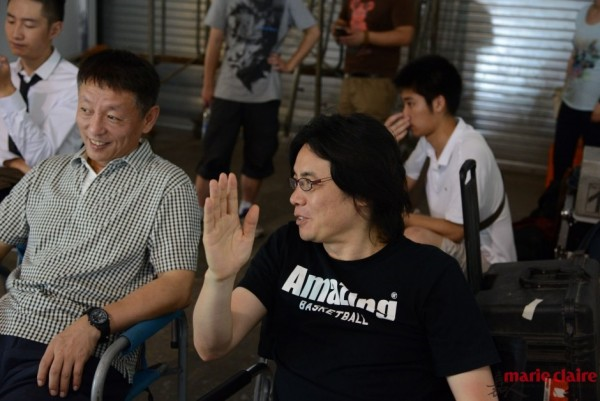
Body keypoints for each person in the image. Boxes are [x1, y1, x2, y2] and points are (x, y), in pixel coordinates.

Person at [193, 113, 500, 401]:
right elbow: (212, 346)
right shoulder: (288, 247)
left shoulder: (431, 275)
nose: (294, 197)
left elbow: (478, 394)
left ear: (362, 192)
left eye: (308, 183)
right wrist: (218, 276)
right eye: (296, 181)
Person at [0, 49, 201, 400]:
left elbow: (177, 285)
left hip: (74, 348)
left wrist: (95, 323)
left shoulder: (167, 186)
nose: (94, 129)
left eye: (113, 117)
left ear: (148, 119)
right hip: (9, 321)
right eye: (85, 110)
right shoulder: (49, 171)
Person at [195, 0, 320, 236]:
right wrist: (208, 84)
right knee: (214, 155)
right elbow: (215, 40)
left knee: (258, 157)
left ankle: (245, 211)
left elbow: (313, 31)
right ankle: (197, 213)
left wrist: (290, 64)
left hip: (266, 95)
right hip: (227, 91)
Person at [385, 54, 517, 273]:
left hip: (487, 263)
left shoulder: (469, 151)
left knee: (414, 237)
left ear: (438, 103)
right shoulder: (427, 141)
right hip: (458, 244)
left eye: (410, 104)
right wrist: (383, 148)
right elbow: (399, 187)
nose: (405, 114)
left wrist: (401, 219)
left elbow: (456, 230)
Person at [0, 0, 81, 201]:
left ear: (55, 29)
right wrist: (12, 162)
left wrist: (8, 92)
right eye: (11, 21)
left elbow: (41, 159)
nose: (16, 33)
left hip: (47, 195)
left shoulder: (75, 84)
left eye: (29, 25)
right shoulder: (7, 72)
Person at [332, 0, 416, 122]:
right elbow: (342, 19)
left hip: (377, 79)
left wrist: (365, 37)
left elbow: (406, 35)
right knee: (342, 128)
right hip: (350, 75)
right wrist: (339, 29)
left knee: (368, 129)